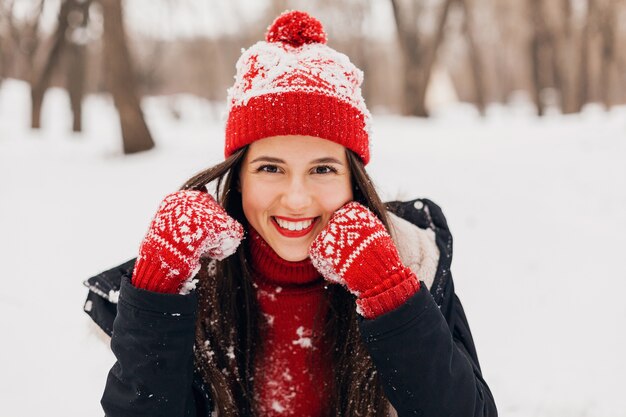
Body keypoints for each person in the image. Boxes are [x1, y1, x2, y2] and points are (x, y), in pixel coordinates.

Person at [84, 10, 497, 417]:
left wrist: (389, 295)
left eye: (322, 169)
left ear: (353, 179)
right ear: (240, 176)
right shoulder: (192, 280)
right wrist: (157, 292)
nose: (296, 199)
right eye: (270, 168)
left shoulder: (413, 263)